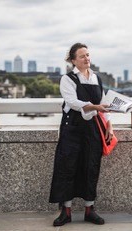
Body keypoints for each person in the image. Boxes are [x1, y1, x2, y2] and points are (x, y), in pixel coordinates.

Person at [49, 42, 114, 226]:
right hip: (72, 130)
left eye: (88, 55)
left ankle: (89, 210)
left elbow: (103, 103)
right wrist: (95, 107)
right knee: (67, 168)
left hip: (92, 129)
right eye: (82, 56)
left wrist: (109, 124)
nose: (87, 59)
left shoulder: (96, 78)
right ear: (73, 60)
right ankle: (66, 212)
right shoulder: (67, 79)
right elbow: (73, 102)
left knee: (91, 167)